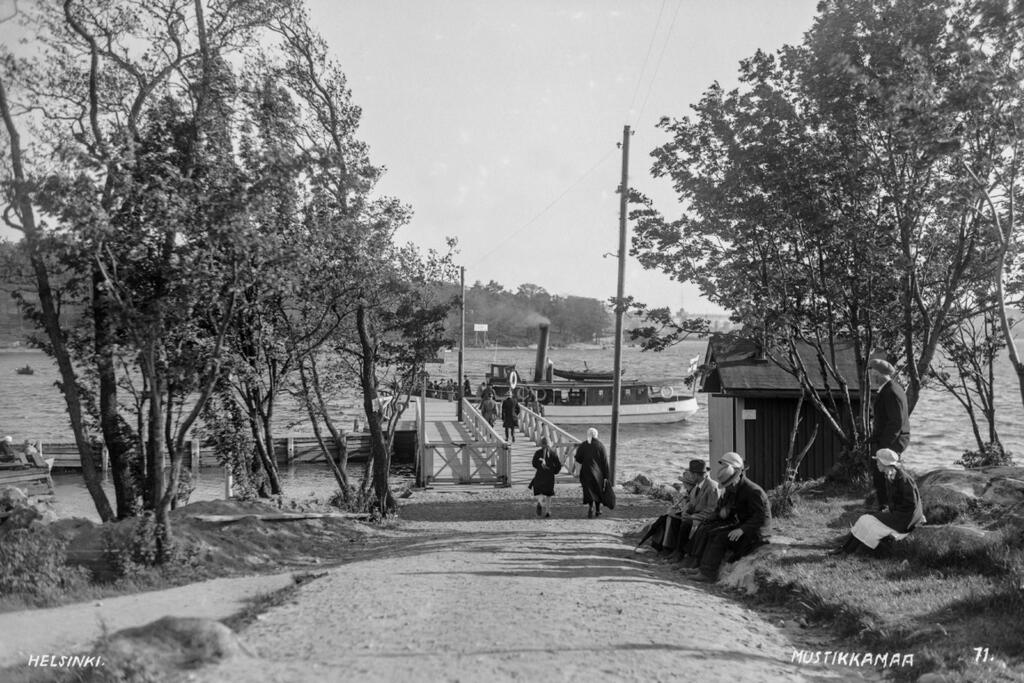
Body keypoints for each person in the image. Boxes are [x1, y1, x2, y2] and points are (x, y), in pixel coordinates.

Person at [682, 452, 771, 583]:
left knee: (720, 538)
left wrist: (742, 530)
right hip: (744, 526)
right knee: (710, 531)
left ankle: (708, 574)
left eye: (728, 484)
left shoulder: (753, 491)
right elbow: (721, 508)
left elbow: (761, 518)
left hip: (756, 533)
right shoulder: (734, 488)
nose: (727, 487)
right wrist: (717, 515)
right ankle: (701, 567)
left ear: (735, 478)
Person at [832, 448, 924, 555]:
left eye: (878, 461)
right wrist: (889, 509)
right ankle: (844, 549)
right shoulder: (891, 475)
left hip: (905, 520)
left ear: (886, 463)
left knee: (866, 519)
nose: (877, 464)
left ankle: (846, 551)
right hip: (898, 515)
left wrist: (893, 512)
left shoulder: (904, 479)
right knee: (865, 518)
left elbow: (911, 505)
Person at [868, 358, 910, 512]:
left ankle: (888, 508)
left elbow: (896, 422)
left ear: (879, 374)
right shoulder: (890, 388)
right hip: (890, 438)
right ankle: (886, 506)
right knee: (882, 474)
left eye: (872, 372)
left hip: (894, 440)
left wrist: (884, 446)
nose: (871, 376)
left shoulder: (891, 391)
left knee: (886, 474)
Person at [664, 459, 721, 563]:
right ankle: (674, 550)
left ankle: (681, 553)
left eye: (691, 474)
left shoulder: (712, 487)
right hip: (696, 515)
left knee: (686, 523)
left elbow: (712, 510)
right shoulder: (698, 486)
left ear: (695, 475)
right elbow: (691, 503)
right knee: (676, 518)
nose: (690, 476)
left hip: (706, 518)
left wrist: (693, 517)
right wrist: (685, 511)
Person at [572, 428, 610, 518]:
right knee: (598, 491)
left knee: (588, 490)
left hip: (586, 471)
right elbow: (605, 462)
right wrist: (606, 476)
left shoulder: (583, 445)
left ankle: (590, 507)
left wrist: (578, 471)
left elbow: (578, 459)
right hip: (598, 473)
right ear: (596, 435)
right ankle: (597, 510)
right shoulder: (600, 446)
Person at [529, 437, 562, 518]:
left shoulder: (537, 452)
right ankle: (547, 511)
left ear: (541, 444)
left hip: (540, 475)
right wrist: (554, 471)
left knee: (540, 492)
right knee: (548, 494)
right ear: (549, 444)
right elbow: (558, 465)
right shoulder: (553, 453)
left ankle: (540, 503)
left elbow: (534, 463)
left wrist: (540, 467)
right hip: (549, 476)